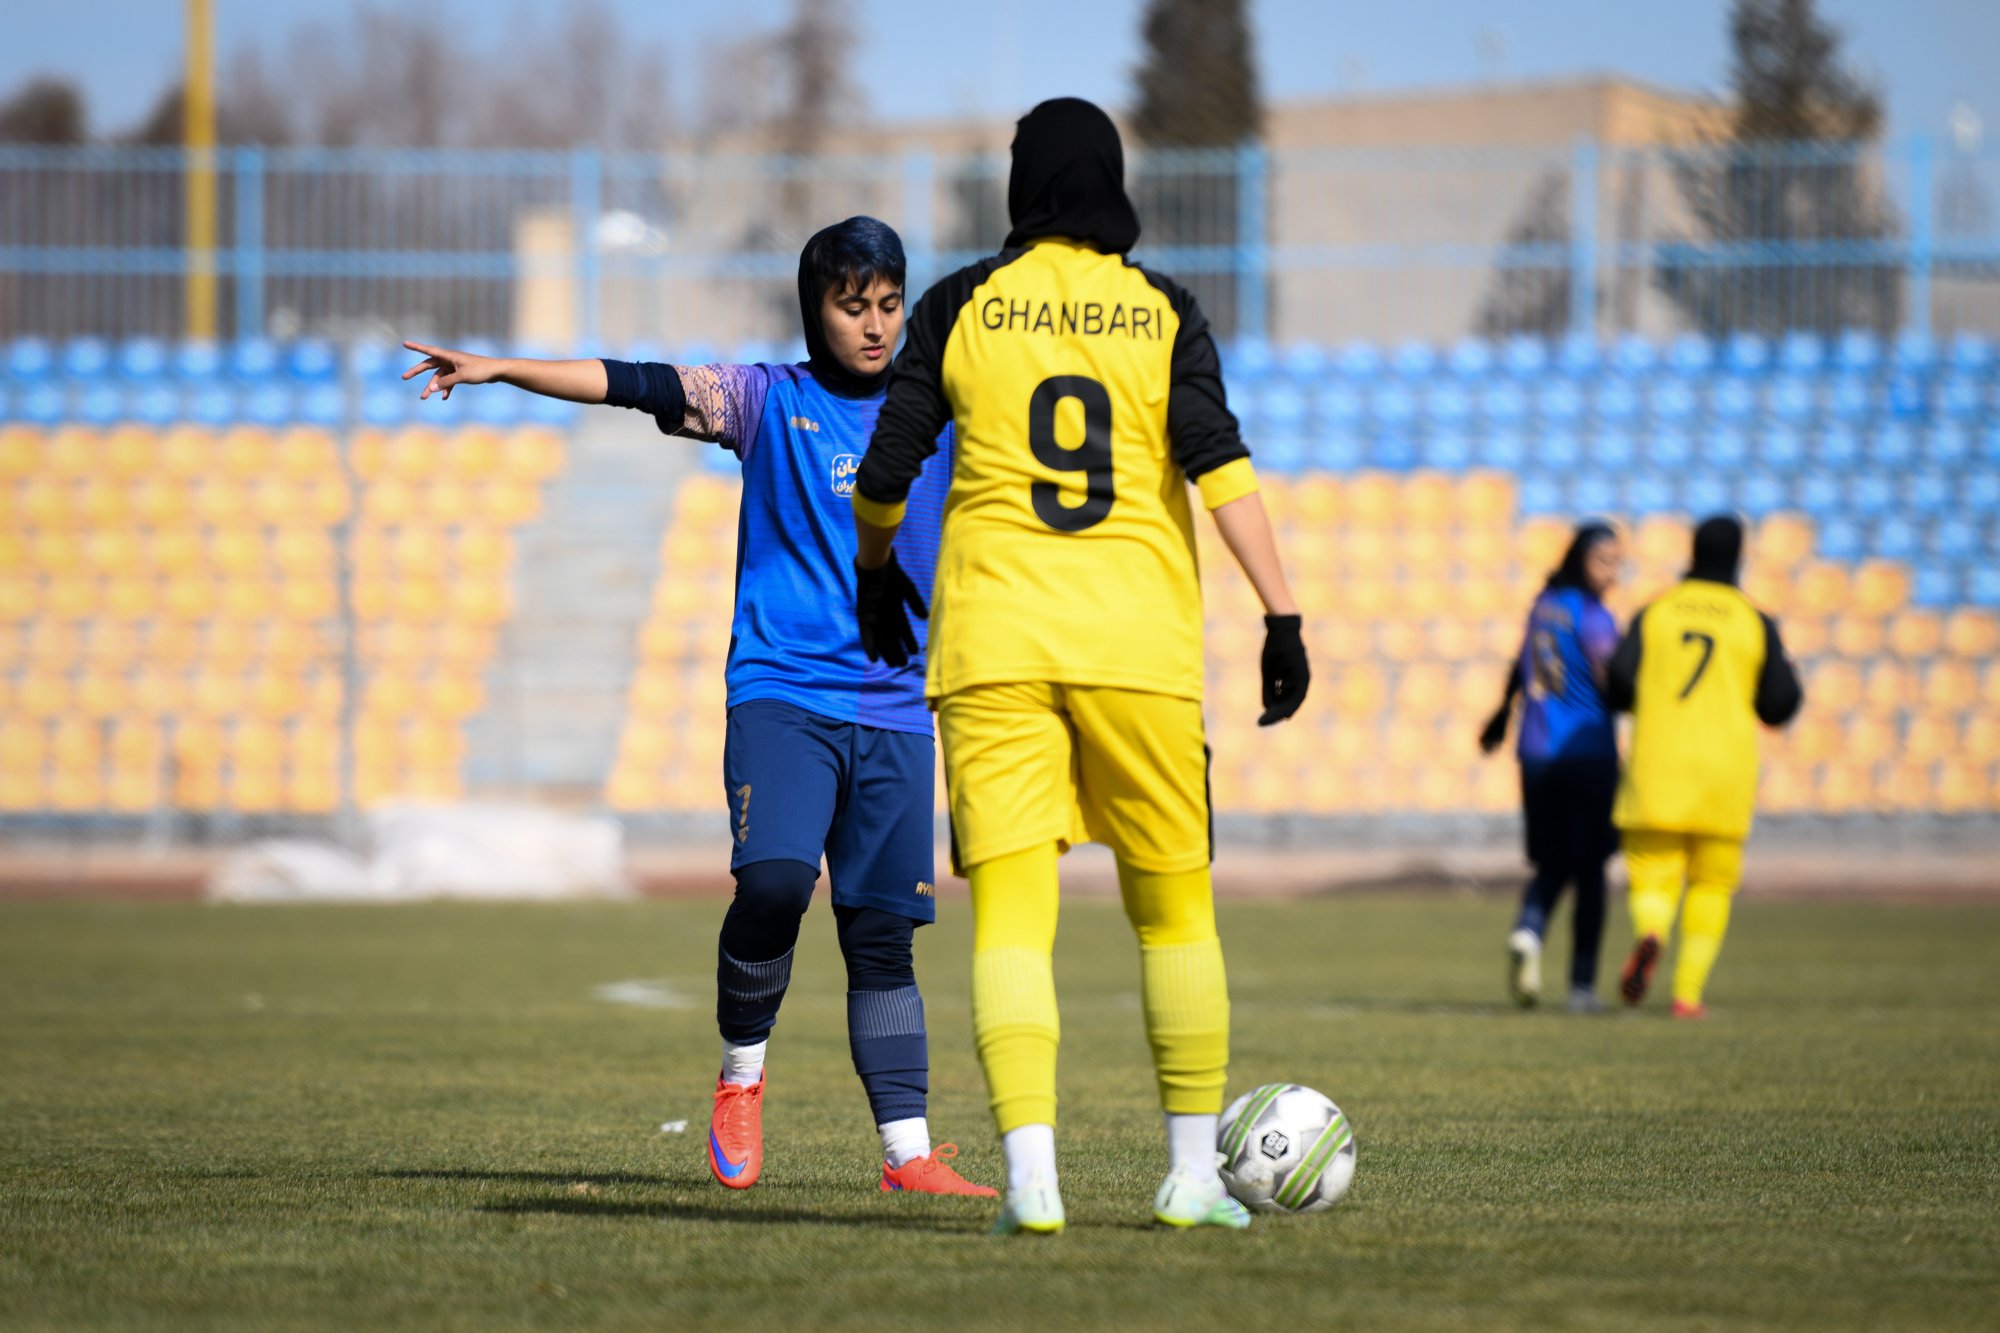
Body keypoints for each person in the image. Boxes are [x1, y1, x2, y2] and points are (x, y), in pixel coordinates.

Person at [399, 216, 994, 1198]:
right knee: (770, 886)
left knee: (880, 935)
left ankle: (908, 1154)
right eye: (854, 306)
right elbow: (635, 382)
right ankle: (740, 1075)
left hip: (896, 710)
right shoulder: (765, 399)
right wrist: (501, 367)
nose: (875, 324)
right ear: (815, 310)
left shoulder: (940, 416)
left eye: (888, 304)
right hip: (782, 694)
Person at [848, 98, 1310, 1235]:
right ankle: (1193, 1178)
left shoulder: (958, 304)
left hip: (994, 644)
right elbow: (1219, 464)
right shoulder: (1163, 310)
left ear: (1021, 185)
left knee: (1011, 919)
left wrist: (871, 567)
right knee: (1174, 917)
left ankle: (1030, 1179)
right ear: (1109, 182)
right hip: (1138, 650)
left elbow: (886, 465)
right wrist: (1281, 613)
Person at [1605, 515, 1804, 1019]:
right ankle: (1686, 996)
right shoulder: (1753, 620)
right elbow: (1778, 706)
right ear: (1740, 555)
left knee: (1652, 879)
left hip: (1658, 766)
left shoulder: (1657, 612)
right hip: (1725, 773)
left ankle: (1651, 933)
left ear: (1691, 550)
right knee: (1712, 886)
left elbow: (1619, 685)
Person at [1479, 521, 1624, 1013]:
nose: (1614, 573)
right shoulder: (1594, 617)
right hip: (1587, 755)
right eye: (1605, 561)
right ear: (1581, 559)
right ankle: (1582, 985)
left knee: (1552, 862)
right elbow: (1614, 684)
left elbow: (1518, 669)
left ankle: (1528, 930)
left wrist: (1501, 716)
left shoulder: (1543, 608)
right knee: (1591, 871)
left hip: (1536, 753)